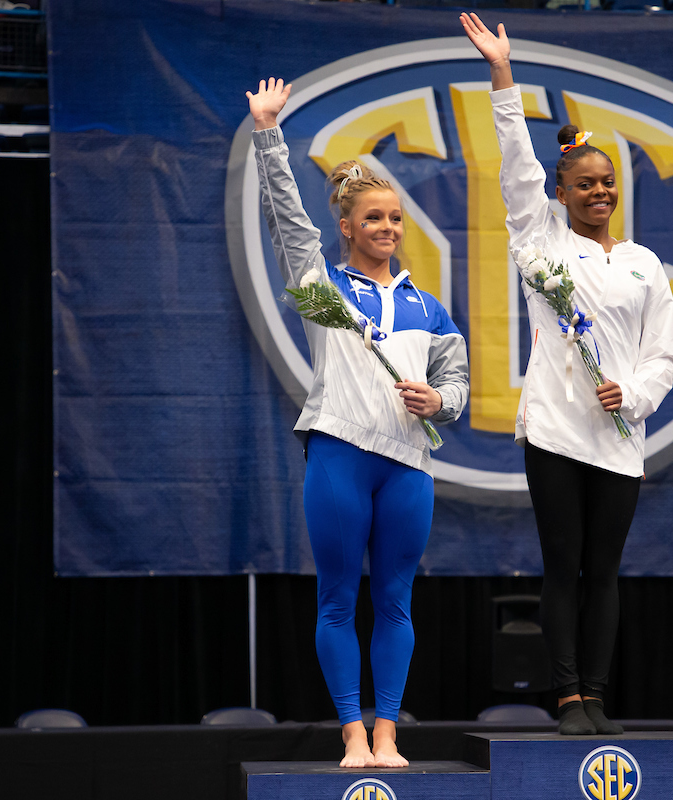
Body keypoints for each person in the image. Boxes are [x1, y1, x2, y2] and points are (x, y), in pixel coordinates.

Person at [461, 13, 673, 736]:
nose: (598, 192)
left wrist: (638, 397)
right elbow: (517, 164)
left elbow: (662, 353)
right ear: (559, 193)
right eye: (584, 183)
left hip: (618, 434)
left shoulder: (643, 262)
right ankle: (566, 696)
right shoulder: (540, 237)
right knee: (564, 566)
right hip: (556, 429)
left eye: (607, 182)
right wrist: (503, 76)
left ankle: (597, 691)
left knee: (606, 572)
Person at [247, 78, 469, 768]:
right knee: (339, 600)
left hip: (407, 467)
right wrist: (267, 134)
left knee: (396, 603)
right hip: (340, 455)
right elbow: (286, 217)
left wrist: (441, 403)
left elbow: (457, 382)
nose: (388, 230)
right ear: (347, 228)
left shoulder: (429, 306)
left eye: (396, 220)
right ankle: (350, 729)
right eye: (374, 220)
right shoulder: (323, 288)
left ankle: (387, 732)